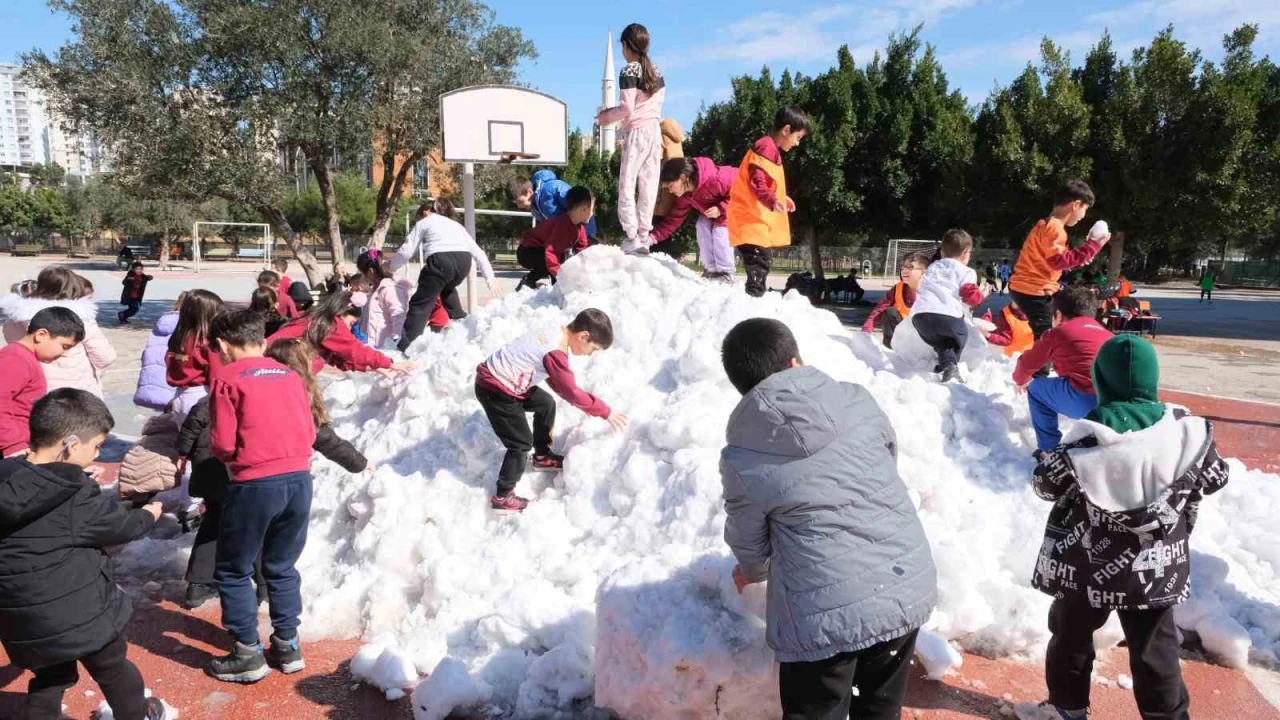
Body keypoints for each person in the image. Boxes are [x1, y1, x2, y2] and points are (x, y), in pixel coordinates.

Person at [719, 318, 936, 720]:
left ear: (742, 386)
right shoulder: (858, 400)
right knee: (880, 708)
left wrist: (752, 571)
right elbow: (887, 458)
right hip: (903, 581)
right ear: (796, 360)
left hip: (823, 616)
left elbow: (748, 539)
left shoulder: (743, 454)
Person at [1015, 336, 1229, 720]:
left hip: (1087, 564)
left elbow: (1047, 484)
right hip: (1157, 565)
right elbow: (1215, 477)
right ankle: (1168, 716)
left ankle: (1067, 708)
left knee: (1072, 637)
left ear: (1102, 381)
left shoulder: (1088, 436)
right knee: (1156, 647)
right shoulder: (1187, 430)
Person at [0, 389, 167, 720]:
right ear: (71, 444)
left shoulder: (6, 475)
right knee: (113, 670)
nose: (97, 452)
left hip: (22, 620)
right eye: (96, 446)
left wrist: (68, 476)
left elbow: (37, 487)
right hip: (82, 615)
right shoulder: (77, 497)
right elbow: (121, 526)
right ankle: (137, 714)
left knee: (50, 679)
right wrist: (151, 513)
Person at [177, 338, 369, 611]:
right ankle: (265, 589)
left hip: (211, 469)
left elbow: (197, 416)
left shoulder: (233, 383)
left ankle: (198, 585)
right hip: (242, 473)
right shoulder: (286, 394)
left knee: (214, 524)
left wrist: (182, 452)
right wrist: (359, 463)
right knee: (259, 533)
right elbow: (323, 438)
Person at [203, 310, 316, 683]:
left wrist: (231, 460)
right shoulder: (290, 374)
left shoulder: (226, 378)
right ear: (261, 339)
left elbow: (221, 442)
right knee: (282, 565)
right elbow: (309, 427)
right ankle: (287, 644)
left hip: (253, 483)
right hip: (299, 478)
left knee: (234, 569)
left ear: (221, 344)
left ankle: (247, 653)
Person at [475, 309, 627, 511]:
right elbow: (571, 391)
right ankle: (503, 497)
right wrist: (605, 411)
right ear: (583, 336)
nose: (591, 354)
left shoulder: (557, 331)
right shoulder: (556, 351)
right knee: (520, 444)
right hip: (495, 389)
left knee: (545, 403)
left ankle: (542, 456)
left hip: (505, 381)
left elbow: (554, 378)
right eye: (593, 348)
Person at [388, 198, 500, 352]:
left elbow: (407, 250)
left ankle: (406, 348)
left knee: (420, 304)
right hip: (463, 263)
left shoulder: (425, 222)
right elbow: (479, 253)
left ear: (427, 211)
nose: (419, 220)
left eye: (419, 216)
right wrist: (490, 277)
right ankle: (465, 324)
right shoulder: (457, 225)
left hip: (441, 261)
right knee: (446, 288)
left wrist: (391, 267)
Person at [1013, 287, 1113, 453]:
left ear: (1058, 315)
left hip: (1086, 402)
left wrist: (1020, 380)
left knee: (1037, 389)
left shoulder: (1059, 332)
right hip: (1113, 405)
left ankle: (1049, 450)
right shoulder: (1108, 334)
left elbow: (1026, 363)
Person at [596, 23, 666, 254]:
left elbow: (627, 108)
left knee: (627, 184)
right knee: (649, 184)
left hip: (637, 132)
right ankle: (644, 234)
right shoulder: (657, 71)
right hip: (655, 132)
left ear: (626, 45)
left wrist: (605, 117)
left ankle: (631, 234)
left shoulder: (629, 71)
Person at [1009, 181, 1110, 339]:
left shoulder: (1045, 224)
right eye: (1085, 210)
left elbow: (1053, 259)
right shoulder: (1055, 228)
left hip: (1028, 288)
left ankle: (1045, 361)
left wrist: (1077, 259)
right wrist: (1093, 246)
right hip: (1033, 291)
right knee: (1046, 338)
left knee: (1054, 326)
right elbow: (1058, 261)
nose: (1083, 217)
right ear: (1076, 205)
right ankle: (1040, 363)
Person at [726, 106, 808, 297]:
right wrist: (772, 199)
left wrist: (780, 196)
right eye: (798, 138)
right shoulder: (765, 147)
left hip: (752, 220)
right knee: (758, 261)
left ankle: (755, 295)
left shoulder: (770, 149)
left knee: (761, 260)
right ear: (786, 130)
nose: (797, 144)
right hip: (748, 218)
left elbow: (765, 181)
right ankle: (754, 297)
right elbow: (757, 181)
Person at [1, 267, 118, 398]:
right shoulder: (81, 317)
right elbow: (105, 356)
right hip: (77, 391)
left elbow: (12, 340)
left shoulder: (17, 316)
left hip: (34, 389)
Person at [0, 308, 85, 457]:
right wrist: (13, 446)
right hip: (11, 449)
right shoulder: (15, 359)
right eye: (64, 346)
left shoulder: (26, 358)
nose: (64, 353)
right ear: (41, 335)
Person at [268, 290, 412, 377]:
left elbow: (340, 360)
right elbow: (354, 349)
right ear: (341, 313)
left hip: (276, 368)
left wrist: (377, 367)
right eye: (350, 323)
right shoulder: (331, 324)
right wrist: (391, 364)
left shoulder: (318, 322)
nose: (349, 330)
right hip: (275, 369)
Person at [909, 229, 985, 382]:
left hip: (920, 316)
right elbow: (969, 293)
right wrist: (981, 294)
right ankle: (950, 366)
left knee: (941, 341)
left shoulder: (933, 267)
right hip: (946, 315)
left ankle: (945, 364)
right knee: (959, 336)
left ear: (943, 252)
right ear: (965, 252)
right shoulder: (966, 271)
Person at [650, 157, 737, 282]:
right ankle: (711, 270)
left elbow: (742, 191)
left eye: (670, 185)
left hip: (735, 209)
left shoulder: (716, 179)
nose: (669, 190)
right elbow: (674, 219)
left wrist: (720, 208)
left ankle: (726, 273)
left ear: (683, 177)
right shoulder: (686, 196)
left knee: (720, 232)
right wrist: (652, 238)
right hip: (713, 214)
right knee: (702, 225)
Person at [516, 186, 593, 290]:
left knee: (561, 261)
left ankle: (556, 287)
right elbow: (551, 254)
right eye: (592, 209)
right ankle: (528, 281)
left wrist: (587, 269)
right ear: (584, 208)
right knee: (552, 262)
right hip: (527, 251)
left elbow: (582, 251)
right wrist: (561, 278)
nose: (592, 213)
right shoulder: (562, 226)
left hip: (544, 251)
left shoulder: (580, 227)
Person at [356, 250, 427, 350]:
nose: (363, 277)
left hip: (386, 346)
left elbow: (398, 314)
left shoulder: (390, 288)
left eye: (363, 273)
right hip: (373, 345)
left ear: (371, 272)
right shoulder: (376, 289)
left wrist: (396, 339)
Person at [862, 252, 929, 347]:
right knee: (890, 312)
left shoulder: (932, 291)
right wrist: (866, 331)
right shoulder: (897, 289)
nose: (904, 270)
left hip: (924, 338)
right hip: (903, 333)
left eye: (910, 267)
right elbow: (879, 310)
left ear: (924, 272)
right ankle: (891, 349)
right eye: (903, 267)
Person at [506, 170, 599, 239]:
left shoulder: (552, 188)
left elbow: (579, 202)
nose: (519, 206)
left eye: (520, 201)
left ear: (529, 191)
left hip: (584, 224)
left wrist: (585, 217)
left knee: (587, 254)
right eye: (516, 203)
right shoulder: (535, 210)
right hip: (569, 233)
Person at [134, 293, 186, 411]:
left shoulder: (162, 325)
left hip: (154, 382)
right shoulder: (187, 329)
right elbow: (181, 357)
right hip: (175, 385)